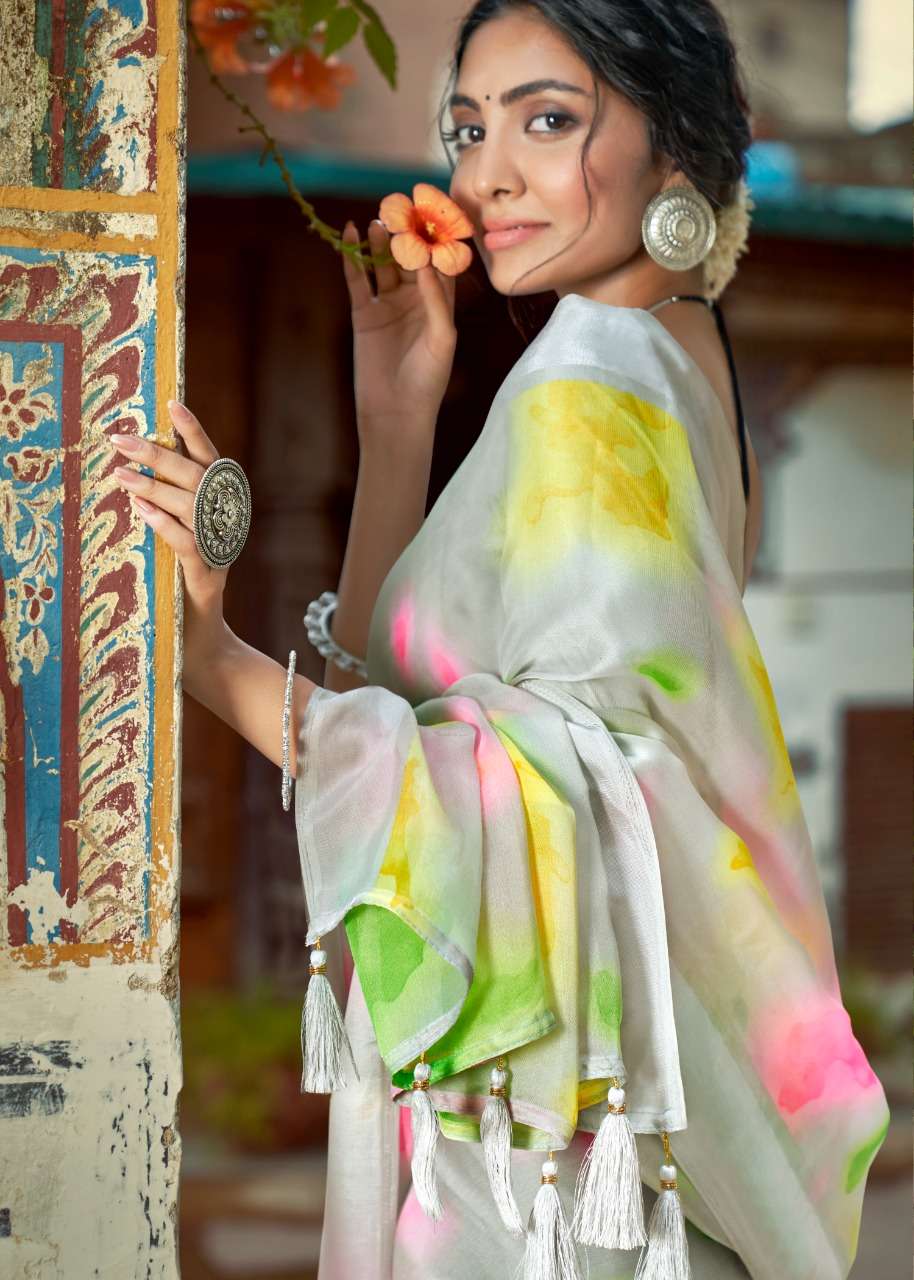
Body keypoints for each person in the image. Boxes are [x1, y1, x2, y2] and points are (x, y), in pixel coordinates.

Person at [113, 2, 890, 1277]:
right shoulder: (684, 362)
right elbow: (412, 712)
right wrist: (397, 422)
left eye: (547, 121)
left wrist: (213, 661)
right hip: (584, 1136)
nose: (485, 178)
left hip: (548, 1175)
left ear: (675, 150)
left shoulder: (592, 388)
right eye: (468, 129)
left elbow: (554, 802)